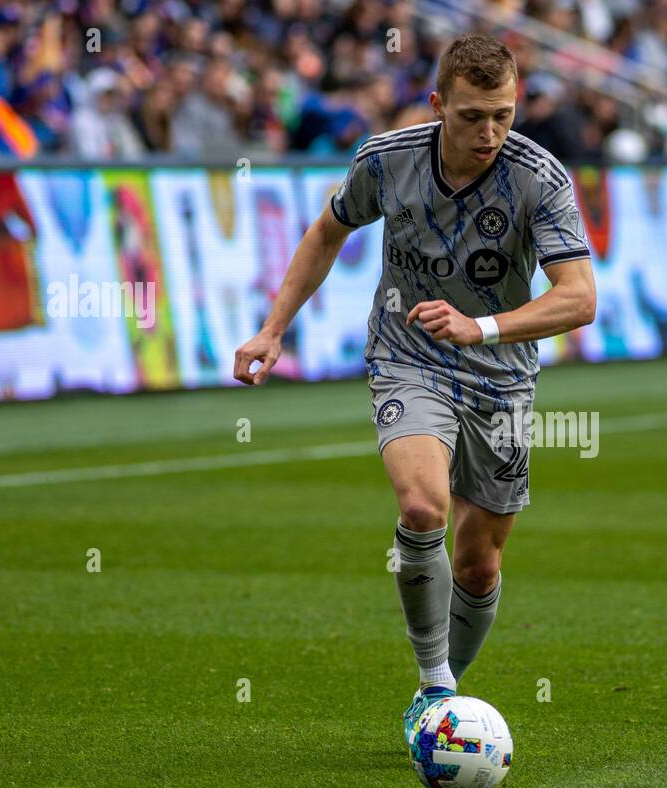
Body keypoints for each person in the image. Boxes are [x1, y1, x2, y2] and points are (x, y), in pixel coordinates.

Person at [232, 33, 596, 748]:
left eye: (503, 114)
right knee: (423, 505)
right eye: (471, 116)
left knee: (480, 559)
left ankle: (440, 693)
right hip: (408, 357)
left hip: (501, 375)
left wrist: (482, 326)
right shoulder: (386, 159)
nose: (490, 132)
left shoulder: (538, 176)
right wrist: (274, 329)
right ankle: (435, 689)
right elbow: (325, 233)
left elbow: (579, 299)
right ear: (437, 106)